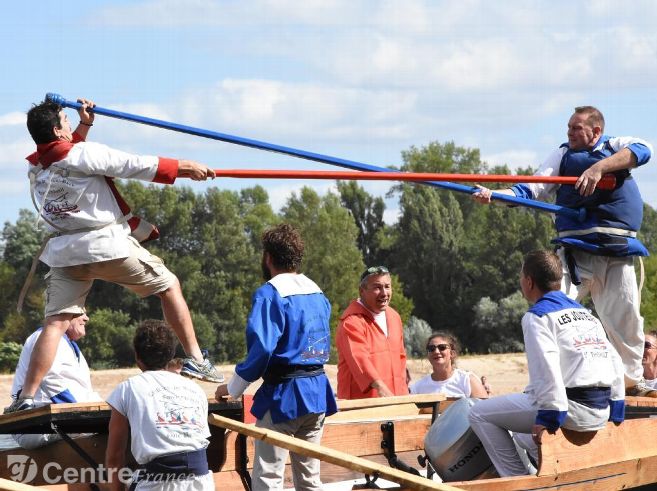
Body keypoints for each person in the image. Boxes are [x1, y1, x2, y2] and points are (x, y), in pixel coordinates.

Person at [6, 98, 222, 413]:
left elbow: (70, 154)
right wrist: (186, 168)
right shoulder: (81, 154)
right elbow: (132, 164)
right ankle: (196, 360)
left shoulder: (38, 165)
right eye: (65, 121)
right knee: (169, 285)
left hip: (66, 254)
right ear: (56, 129)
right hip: (106, 245)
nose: (69, 125)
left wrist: (84, 124)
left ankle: (26, 397)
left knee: (55, 323)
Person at [473, 106, 654, 398]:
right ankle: (547, 384)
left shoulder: (614, 146)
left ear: (596, 131)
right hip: (576, 256)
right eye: (568, 127)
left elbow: (645, 149)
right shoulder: (562, 155)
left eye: (576, 128)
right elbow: (531, 190)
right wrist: (494, 197)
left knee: (626, 320)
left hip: (617, 254)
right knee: (550, 314)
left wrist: (598, 168)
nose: (569, 132)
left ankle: (632, 383)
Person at [468, 250, 625, 477]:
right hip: (601, 410)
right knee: (522, 434)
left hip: (572, 410)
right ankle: (543, 471)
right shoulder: (587, 314)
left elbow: (546, 370)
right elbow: (614, 361)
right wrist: (616, 411)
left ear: (529, 281)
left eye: (521, 277)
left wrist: (549, 418)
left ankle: (518, 481)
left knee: (479, 414)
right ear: (558, 280)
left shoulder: (537, 316)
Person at [214, 223, 336, 491]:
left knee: (268, 478)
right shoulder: (317, 292)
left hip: (285, 398)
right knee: (309, 479)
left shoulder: (270, 294)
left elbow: (262, 350)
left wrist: (232, 388)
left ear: (268, 257)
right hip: (317, 393)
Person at [106, 320, 214, 491]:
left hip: (156, 483)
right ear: (170, 356)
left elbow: (114, 457)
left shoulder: (127, 389)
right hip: (202, 482)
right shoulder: (196, 389)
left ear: (137, 357)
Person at [6, 311, 102, 449]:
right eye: (81, 313)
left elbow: (85, 393)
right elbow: (51, 380)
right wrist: (83, 415)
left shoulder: (67, 342)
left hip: (57, 420)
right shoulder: (45, 338)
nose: (86, 318)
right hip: (36, 424)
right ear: (64, 314)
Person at [336, 266, 409, 399]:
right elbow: (359, 359)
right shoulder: (351, 322)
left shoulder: (394, 317)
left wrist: (403, 393)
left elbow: (401, 359)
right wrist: (381, 388)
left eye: (387, 287)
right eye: (377, 287)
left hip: (396, 400)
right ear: (361, 291)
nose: (384, 293)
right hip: (363, 405)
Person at [409, 331, 489, 398]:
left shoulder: (467, 381)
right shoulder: (418, 388)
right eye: (431, 349)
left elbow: (484, 412)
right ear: (428, 355)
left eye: (442, 347)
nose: (436, 351)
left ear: (452, 353)